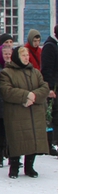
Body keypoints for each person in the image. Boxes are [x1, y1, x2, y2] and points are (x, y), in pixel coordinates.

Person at [0, 46, 51, 178]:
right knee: (17, 139)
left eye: (27, 55)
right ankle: (14, 167)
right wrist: (25, 95)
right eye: (23, 55)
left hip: (34, 111)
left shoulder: (35, 72)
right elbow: (6, 91)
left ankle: (30, 167)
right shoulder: (7, 72)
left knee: (32, 138)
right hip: (17, 113)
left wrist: (34, 95)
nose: (26, 58)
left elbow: (44, 87)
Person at [0, 33, 15, 168]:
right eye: (5, 53)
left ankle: (12, 156)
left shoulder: (14, 66)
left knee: (12, 132)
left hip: (12, 105)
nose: (7, 56)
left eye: (9, 54)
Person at [41, 26, 58, 155]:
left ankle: (54, 141)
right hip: (54, 87)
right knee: (51, 115)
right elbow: (47, 70)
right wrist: (50, 88)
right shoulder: (50, 47)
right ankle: (50, 143)